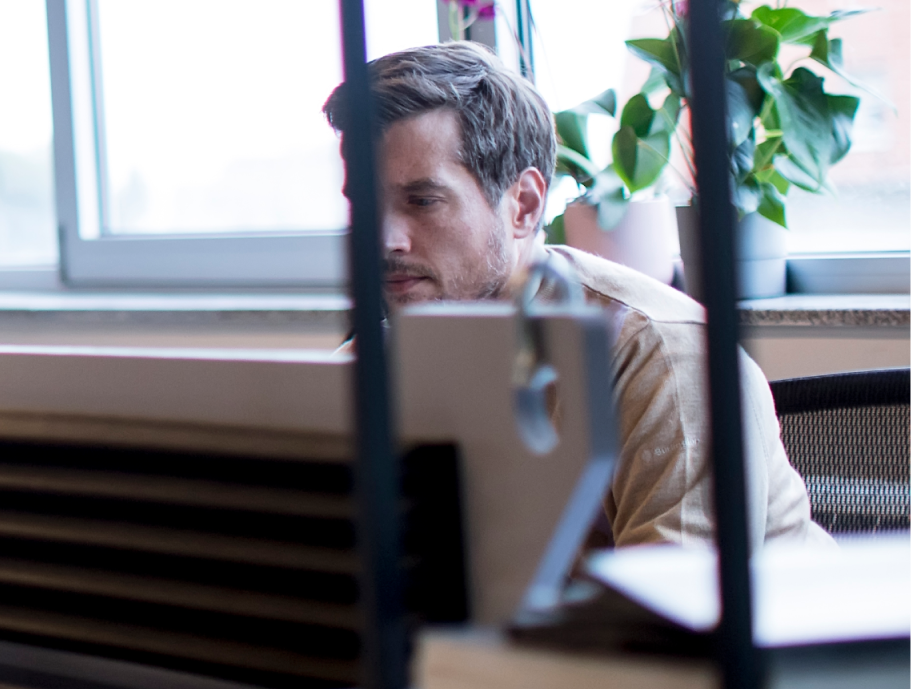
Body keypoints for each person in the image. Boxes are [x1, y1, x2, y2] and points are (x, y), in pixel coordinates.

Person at [328, 42, 828, 548]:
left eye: (423, 201)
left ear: (523, 204)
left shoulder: (660, 357)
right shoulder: (377, 360)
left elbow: (671, 615)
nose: (384, 237)